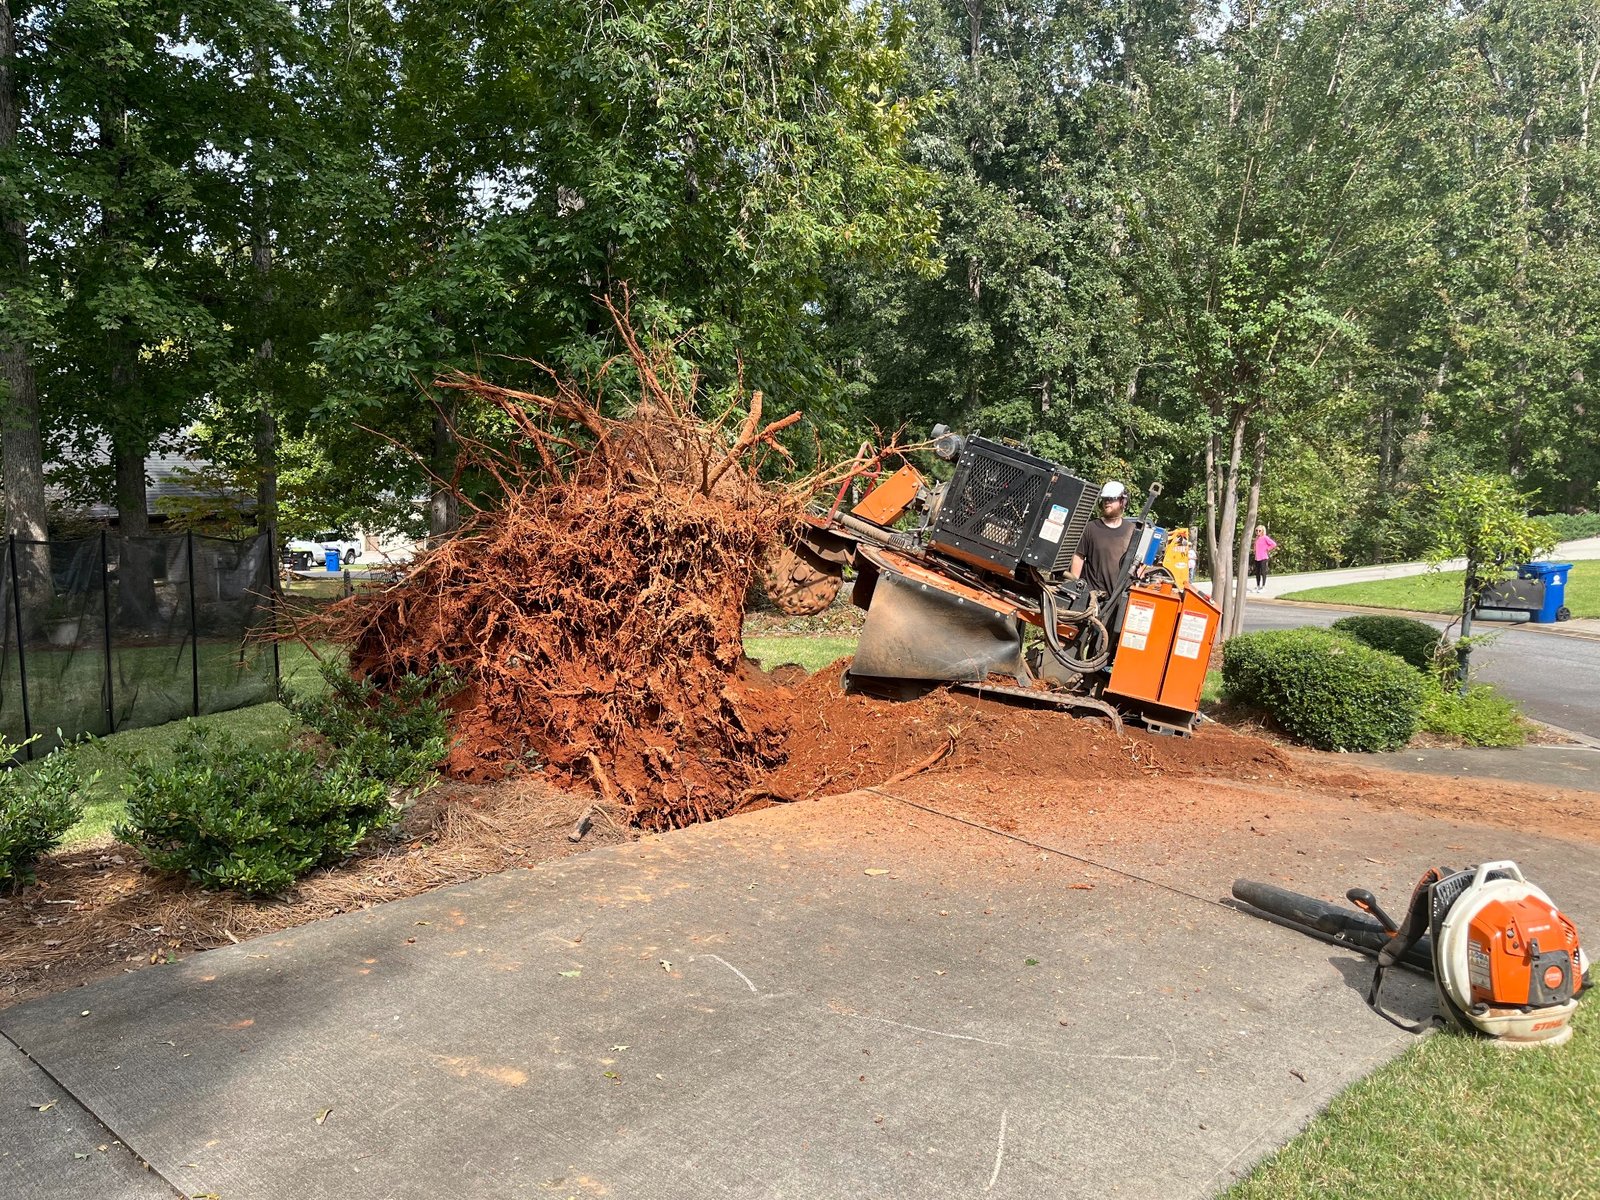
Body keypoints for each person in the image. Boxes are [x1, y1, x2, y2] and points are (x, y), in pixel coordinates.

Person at [1071, 481, 1137, 596]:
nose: (1107, 502)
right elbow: (1078, 557)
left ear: (1123, 501)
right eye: (1105, 499)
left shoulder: (1132, 531)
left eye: (1111, 499)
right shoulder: (1090, 528)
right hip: (1093, 597)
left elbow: (1138, 564)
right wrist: (1073, 587)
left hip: (1120, 597)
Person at [1251, 524, 1277, 591]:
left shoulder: (1265, 538)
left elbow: (1274, 544)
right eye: (1256, 530)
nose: (1258, 532)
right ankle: (1258, 585)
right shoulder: (1257, 538)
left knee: (1263, 572)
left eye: (1259, 530)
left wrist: (1267, 549)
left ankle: (1263, 586)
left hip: (1263, 557)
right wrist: (1254, 550)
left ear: (1262, 531)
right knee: (1257, 572)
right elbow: (1255, 546)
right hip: (1257, 557)